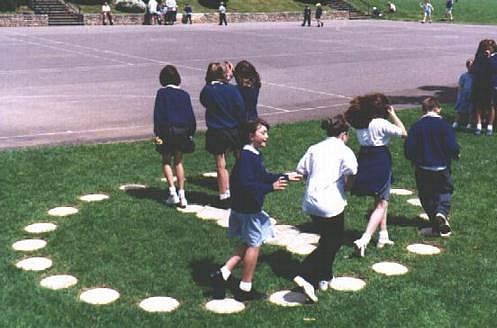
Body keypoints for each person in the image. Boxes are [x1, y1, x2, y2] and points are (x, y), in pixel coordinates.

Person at [210, 118, 302, 302]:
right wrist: (271, 187)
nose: (267, 136)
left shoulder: (253, 154)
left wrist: (285, 176)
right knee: (254, 244)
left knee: (246, 242)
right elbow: (246, 184)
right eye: (263, 133)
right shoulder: (247, 157)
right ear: (251, 136)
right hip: (247, 209)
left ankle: (222, 274)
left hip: (245, 207)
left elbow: (261, 176)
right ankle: (245, 288)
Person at [293, 114, 357, 303]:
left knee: (327, 238)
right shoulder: (344, 151)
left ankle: (324, 276)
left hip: (311, 202)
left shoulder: (314, 148)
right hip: (331, 204)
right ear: (344, 134)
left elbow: (301, 170)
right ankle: (305, 274)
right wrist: (348, 186)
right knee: (334, 241)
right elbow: (352, 173)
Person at [344, 93, 407, 257]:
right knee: (382, 203)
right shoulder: (380, 123)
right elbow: (403, 133)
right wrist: (394, 114)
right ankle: (364, 239)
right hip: (380, 159)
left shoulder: (360, 123)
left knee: (380, 198)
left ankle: (383, 236)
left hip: (364, 158)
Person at [404, 97, 460, 237]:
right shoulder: (445, 126)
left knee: (426, 195)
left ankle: (435, 224)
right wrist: (455, 154)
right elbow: (452, 146)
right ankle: (442, 212)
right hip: (441, 166)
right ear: (438, 109)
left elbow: (409, 148)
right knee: (445, 190)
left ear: (423, 110)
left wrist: (412, 158)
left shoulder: (416, 126)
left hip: (422, 167)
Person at [199, 62, 246, 208]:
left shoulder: (208, 90)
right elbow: (241, 108)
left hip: (217, 130)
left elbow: (204, 102)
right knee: (239, 160)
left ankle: (224, 195)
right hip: (233, 129)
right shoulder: (232, 90)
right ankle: (242, 188)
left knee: (221, 164)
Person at [153, 65, 196, 208]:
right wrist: (191, 132)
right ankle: (182, 194)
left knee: (166, 160)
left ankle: (172, 192)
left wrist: (158, 133)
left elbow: (158, 115)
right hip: (182, 131)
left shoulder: (162, 93)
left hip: (167, 130)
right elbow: (190, 115)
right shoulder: (185, 94)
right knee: (178, 161)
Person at [471, 39, 496, 136]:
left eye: (490, 47)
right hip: (480, 83)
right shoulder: (480, 56)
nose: (488, 49)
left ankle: (490, 126)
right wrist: (484, 58)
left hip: (491, 84)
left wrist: (489, 58)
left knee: (491, 105)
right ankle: (478, 125)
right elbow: (475, 68)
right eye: (486, 47)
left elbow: (493, 69)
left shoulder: (495, 57)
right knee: (478, 105)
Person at [453, 58, 474, 131]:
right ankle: (456, 122)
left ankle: (469, 123)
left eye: (472, 65)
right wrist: (460, 96)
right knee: (460, 110)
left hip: (472, 95)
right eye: (469, 66)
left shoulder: (476, 76)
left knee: (471, 110)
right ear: (467, 66)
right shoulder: (464, 76)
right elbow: (460, 87)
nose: (470, 67)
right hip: (464, 95)